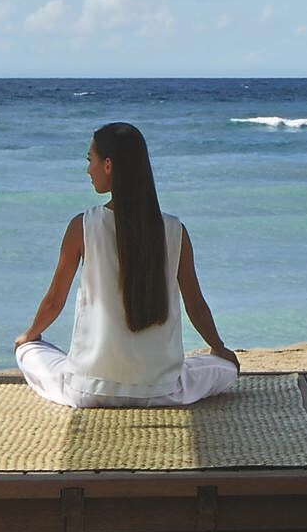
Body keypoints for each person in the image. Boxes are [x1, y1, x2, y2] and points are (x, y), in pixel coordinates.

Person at [17, 121, 240, 408]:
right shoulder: (174, 230)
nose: (88, 169)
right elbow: (195, 304)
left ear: (108, 165)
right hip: (161, 391)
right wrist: (219, 348)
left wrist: (29, 336)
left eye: (90, 160)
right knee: (227, 368)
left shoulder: (82, 226)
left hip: (87, 391)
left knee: (29, 352)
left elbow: (53, 301)